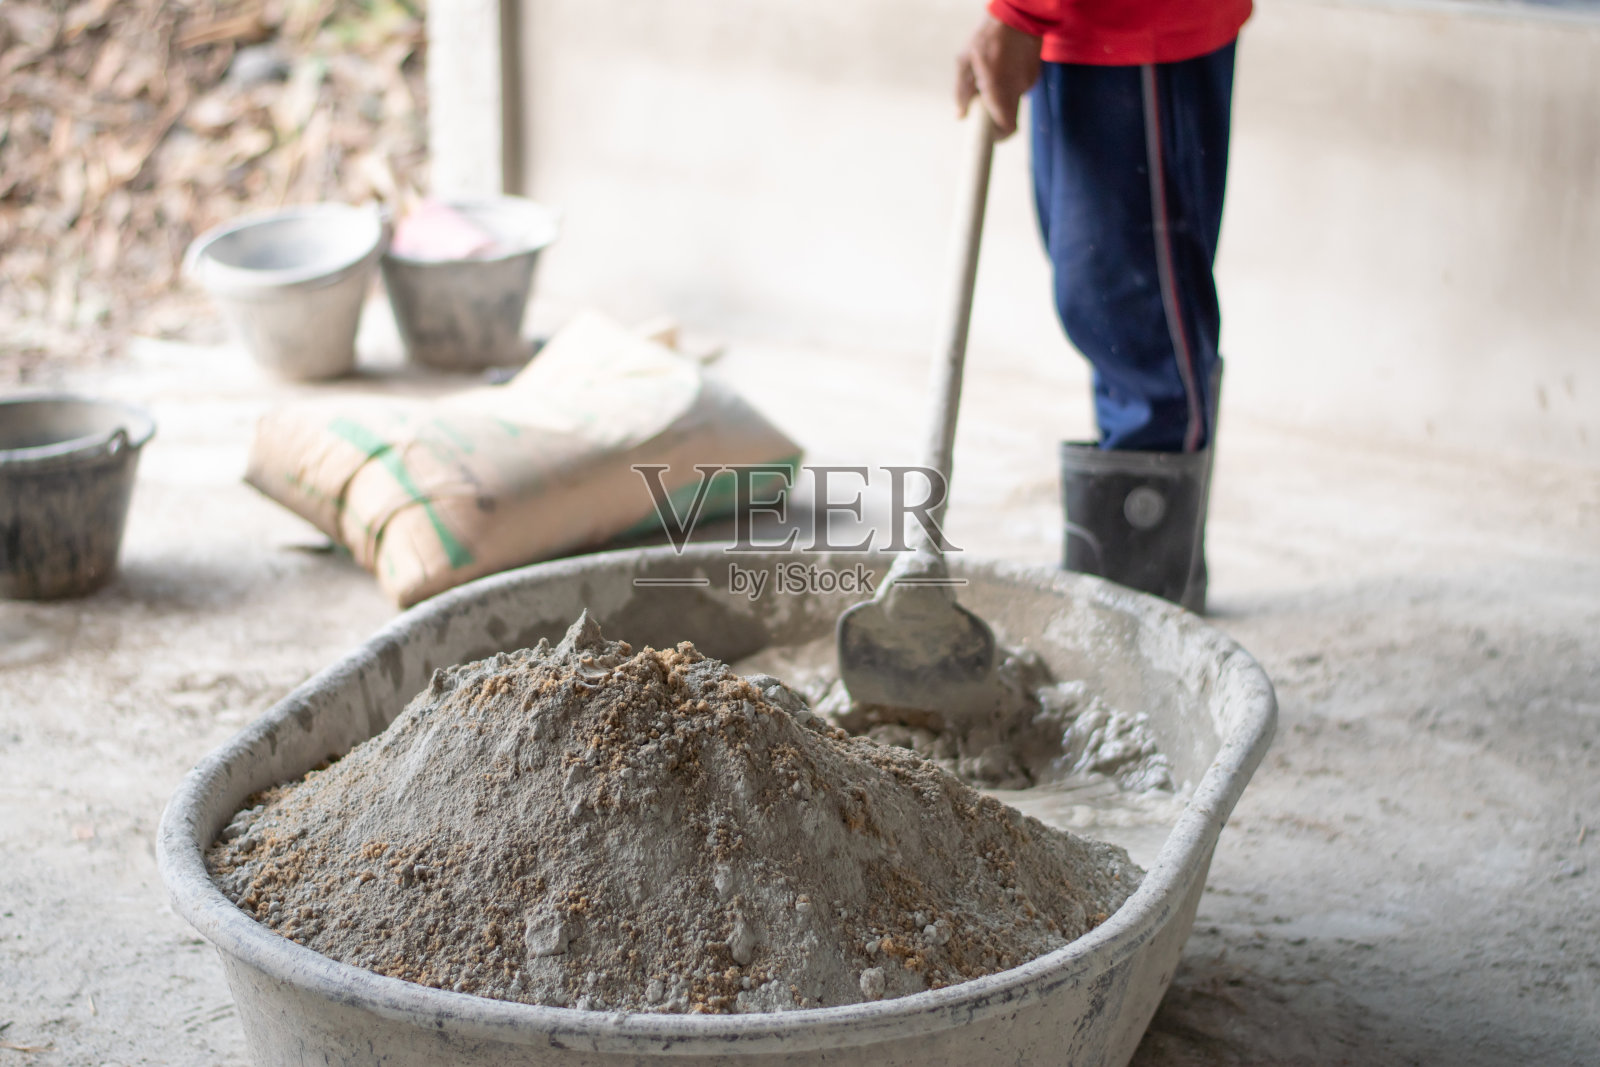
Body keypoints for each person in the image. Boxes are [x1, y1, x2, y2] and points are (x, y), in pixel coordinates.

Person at [955, 0, 1250, 612]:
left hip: (1132, 23)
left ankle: (1146, 594)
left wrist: (1018, 13)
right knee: (1101, 301)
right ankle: (1131, 573)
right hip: (1077, 26)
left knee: (1134, 312)